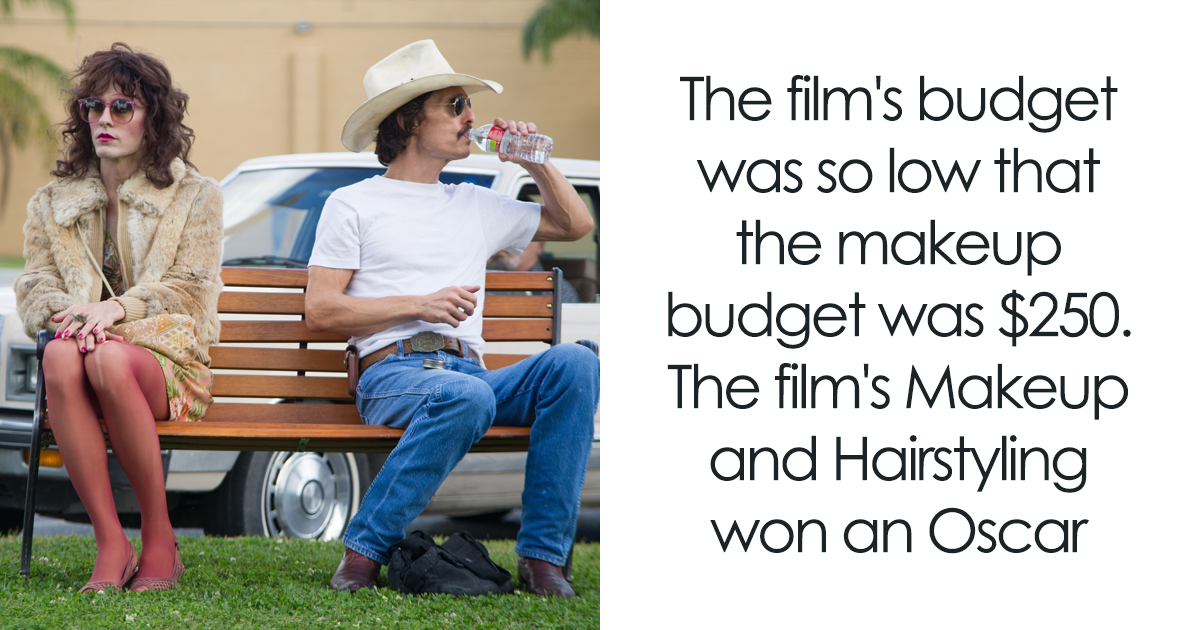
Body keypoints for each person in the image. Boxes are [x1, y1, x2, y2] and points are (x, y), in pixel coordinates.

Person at [305, 40, 598, 597]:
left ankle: (543, 562)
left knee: (575, 366)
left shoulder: (473, 202)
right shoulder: (354, 203)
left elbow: (575, 224)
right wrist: (418, 305)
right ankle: (363, 552)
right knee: (468, 398)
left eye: (469, 106)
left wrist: (536, 161)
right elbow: (320, 309)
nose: (471, 118)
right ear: (410, 120)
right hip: (393, 375)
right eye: (456, 105)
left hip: (472, 377)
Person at [14, 43, 223, 593]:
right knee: (62, 352)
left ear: (153, 117)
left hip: (169, 362)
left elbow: (191, 292)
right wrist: (71, 316)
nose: (104, 119)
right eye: (93, 107)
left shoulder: (195, 196)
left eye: (122, 108)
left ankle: (159, 537)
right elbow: (35, 284)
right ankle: (112, 541)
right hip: (81, 360)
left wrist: (113, 311)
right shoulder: (53, 202)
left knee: (104, 356)